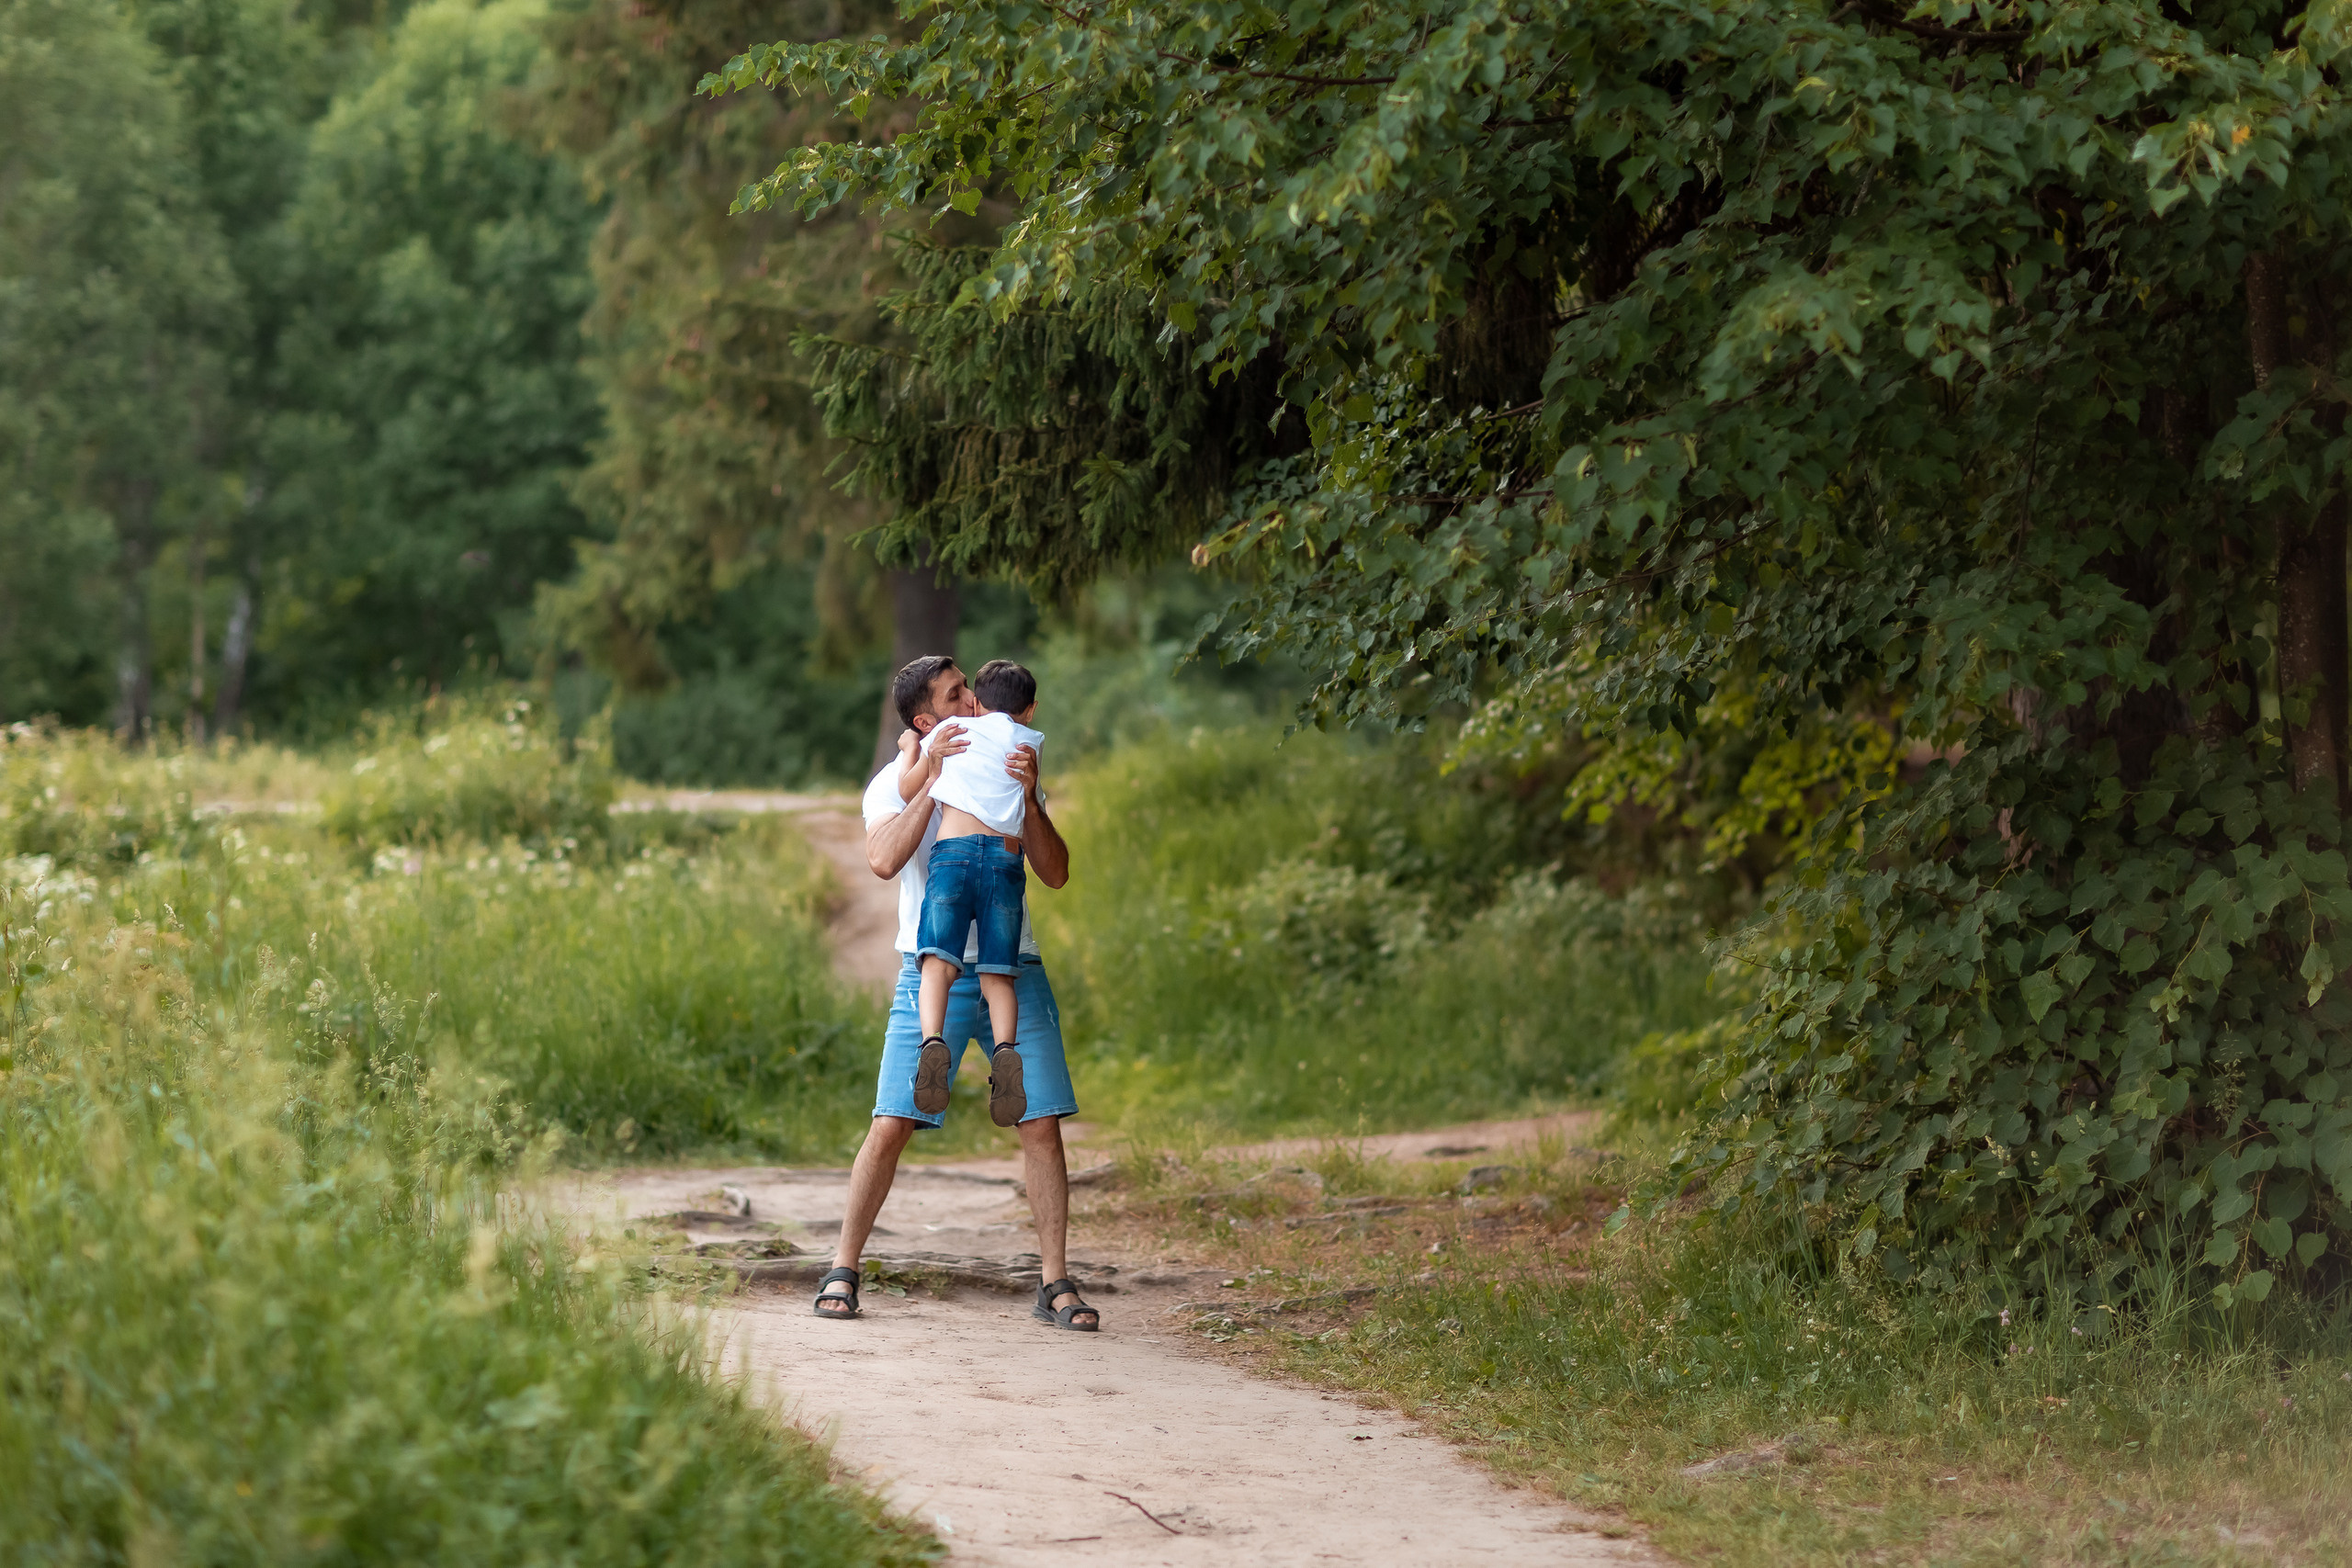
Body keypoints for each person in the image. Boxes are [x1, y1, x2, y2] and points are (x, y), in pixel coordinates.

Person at [808, 654, 1102, 1333]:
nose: (971, 698)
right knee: (891, 1121)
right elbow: (882, 859)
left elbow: (1054, 872)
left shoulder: (1006, 755)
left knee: (1041, 1122)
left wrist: (1029, 799)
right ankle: (843, 1266)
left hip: (1013, 966)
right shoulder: (896, 780)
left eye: (969, 685)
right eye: (955, 692)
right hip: (931, 968)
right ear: (924, 718)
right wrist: (933, 781)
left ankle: (1054, 1280)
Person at [898, 659, 1042, 1127]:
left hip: (953, 855)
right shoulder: (1028, 744)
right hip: (1004, 858)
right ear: (1031, 710)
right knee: (999, 974)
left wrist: (912, 751)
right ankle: (1005, 1050)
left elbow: (907, 788)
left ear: (976, 702)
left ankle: (932, 1041)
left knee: (937, 963)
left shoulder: (953, 730)